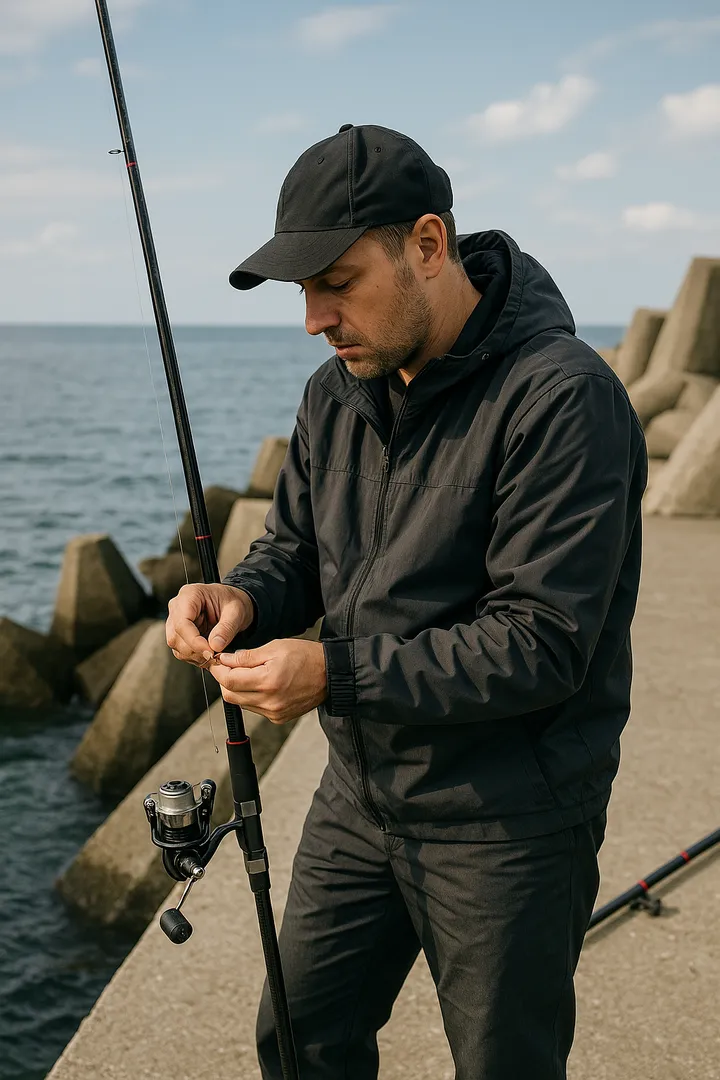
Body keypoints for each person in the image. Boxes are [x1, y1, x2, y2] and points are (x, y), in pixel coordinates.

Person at [166, 124, 648, 1079]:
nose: (315, 319)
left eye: (337, 283)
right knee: (299, 1041)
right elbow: (295, 551)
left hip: (509, 818)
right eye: (303, 292)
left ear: (428, 244)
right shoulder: (336, 392)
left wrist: (331, 674)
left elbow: (542, 642)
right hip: (361, 795)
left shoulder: (564, 398)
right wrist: (242, 600)